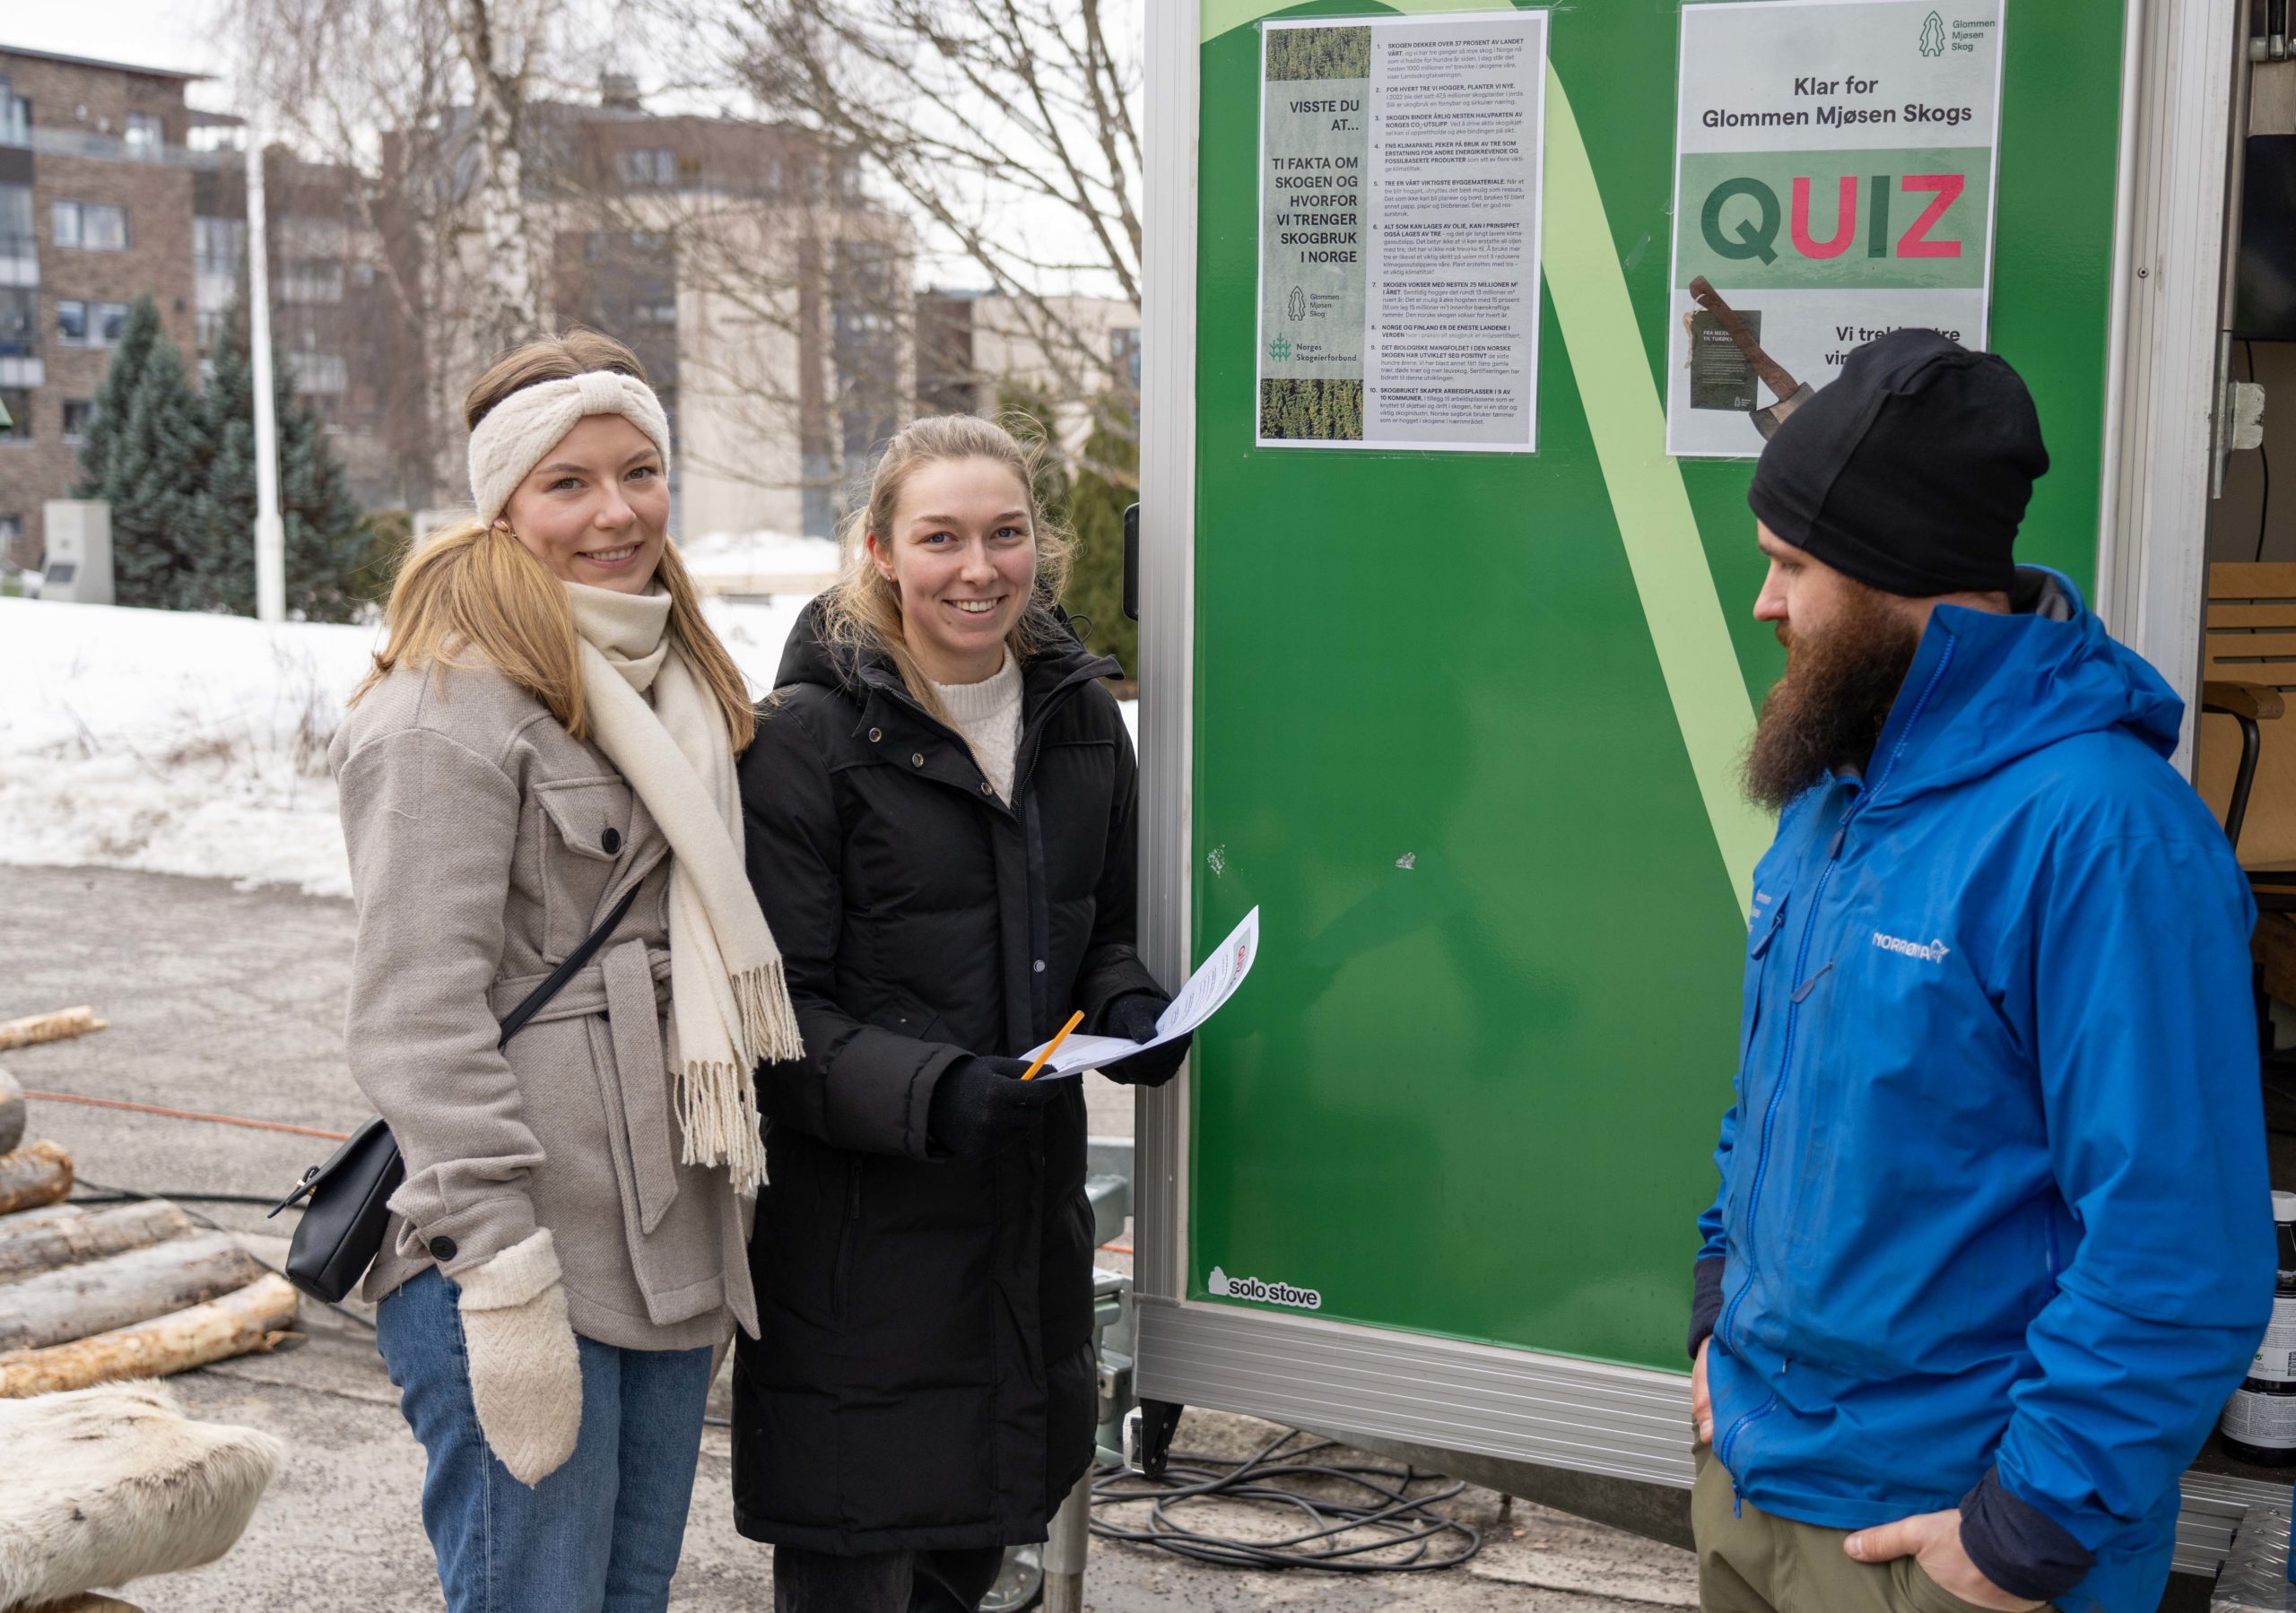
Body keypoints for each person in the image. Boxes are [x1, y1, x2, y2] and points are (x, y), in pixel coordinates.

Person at [1688, 329, 2274, 1613]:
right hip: (1752, 1481)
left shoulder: (2104, 833)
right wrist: (1714, 1314)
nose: (1764, 604)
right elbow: (1772, 1102)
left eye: (1793, 566)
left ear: (1908, 582)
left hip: (1939, 1540)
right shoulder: (1836, 799)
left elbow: (2180, 1246)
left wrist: (2021, 1539)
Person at [333, 329, 804, 1613]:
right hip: (522, 1257)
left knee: (625, 1598)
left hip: (668, 1235)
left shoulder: (676, 686)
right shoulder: (447, 712)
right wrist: (501, 1271)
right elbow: (416, 1020)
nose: (618, 512)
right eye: (570, 483)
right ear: (503, 504)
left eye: (641, 471)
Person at [731, 413, 1187, 1612]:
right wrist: (935, 1092)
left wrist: (1133, 1006)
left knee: (977, 1556)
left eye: (1005, 533)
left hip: (1020, 1235)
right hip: (859, 1256)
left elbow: (1100, 925)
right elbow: (773, 1019)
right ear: (879, 548)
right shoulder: (804, 744)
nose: (977, 568)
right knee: (861, 1572)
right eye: (940, 537)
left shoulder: (1077, 717)